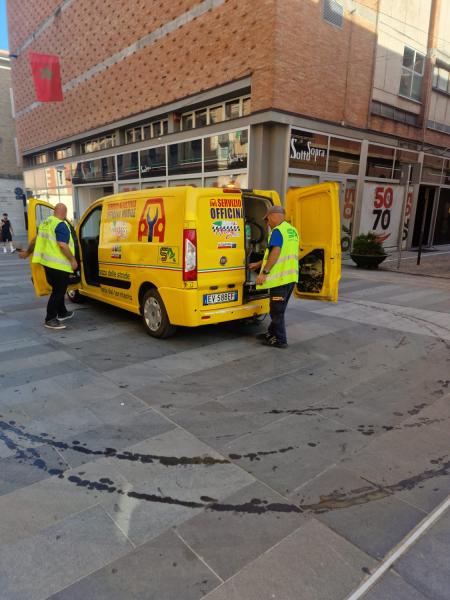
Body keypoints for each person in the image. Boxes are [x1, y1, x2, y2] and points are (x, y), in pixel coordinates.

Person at [19, 203, 78, 330]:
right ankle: (50, 319)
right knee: (58, 292)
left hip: (47, 263)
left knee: (58, 289)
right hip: (59, 265)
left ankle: (62, 313)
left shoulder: (45, 223)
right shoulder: (61, 224)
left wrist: (27, 252)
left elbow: (35, 240)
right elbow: (63, 245)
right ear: (64, 213)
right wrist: (73, 260)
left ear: (54, 211)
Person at [249, 205, 299, 349]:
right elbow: (281, 253)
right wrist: (259, 264)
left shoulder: (277, 232)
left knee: (277, 311)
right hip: (290, 278)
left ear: (273, 216)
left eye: (267, 220)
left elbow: (276, 252)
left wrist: (264, 273)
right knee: (279, 309)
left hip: (280, 279)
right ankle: (271, 333)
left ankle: (280, 340)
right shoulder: (291, 230)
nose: (267, 223)